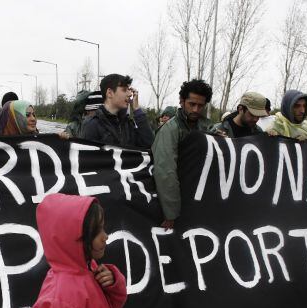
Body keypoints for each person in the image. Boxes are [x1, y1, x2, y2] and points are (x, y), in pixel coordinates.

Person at [152, 79, 214, 229]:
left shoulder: (207, 126)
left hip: (200, 203)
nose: (195, 109)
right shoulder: (170, 130)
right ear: (181, 101)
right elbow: (165, 171)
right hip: (179, 205)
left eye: (200, 105)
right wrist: (171, 214)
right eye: (191, 104)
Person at [80, 73, 154, 149]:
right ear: (110, 93)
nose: (130, 94)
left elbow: (149, 144)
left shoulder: (127, 124)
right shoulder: (93, 125)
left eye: (129, 90)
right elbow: (87, 158)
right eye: (124, 90)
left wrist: (137, 110)